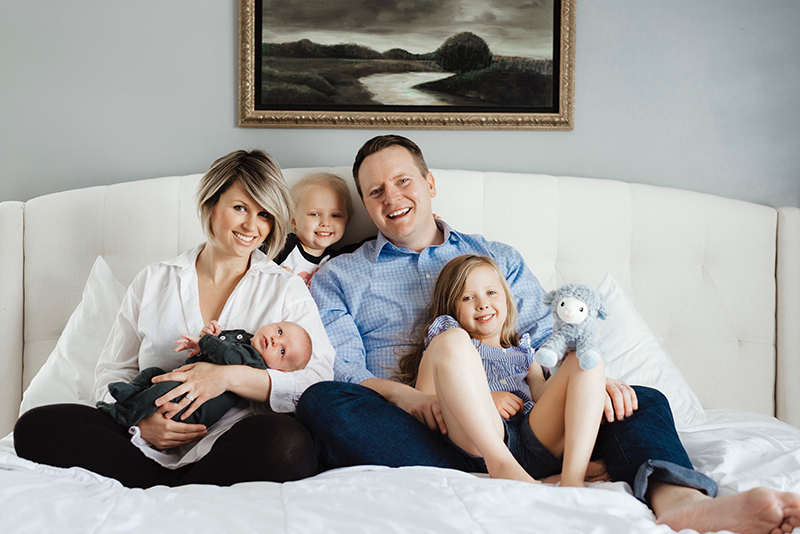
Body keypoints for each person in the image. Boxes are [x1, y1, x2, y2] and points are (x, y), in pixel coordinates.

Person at [296, 134, 800, 534]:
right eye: (375, 192)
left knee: (637, 400)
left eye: (403, 181)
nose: (392, 198)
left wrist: (592, 383)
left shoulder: (499, 258)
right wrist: (413, 400)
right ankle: (507, 472)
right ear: (365, 203)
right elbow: (346, 370)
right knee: (322, 400)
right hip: (420, 429)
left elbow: (544, 340)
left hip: (532, 423)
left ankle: (680, 501)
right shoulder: (342, 276)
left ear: (430, 183)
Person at [14, 149, 335, 488]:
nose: (251, 226)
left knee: (289, 446)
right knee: (35, 426)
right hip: (142, 440)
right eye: (240, 207)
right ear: (212, 203)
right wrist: (142, 422)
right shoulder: (154, 280)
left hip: (233, 440)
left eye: (264, 214)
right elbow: (112, 372)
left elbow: (316, 381)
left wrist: (227, 378)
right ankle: (174, 483)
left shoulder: (284, 288)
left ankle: (169, 485)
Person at [397, 254, 606, 487]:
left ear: (506, 299)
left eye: (491, 293)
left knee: (586, 357)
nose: (482, 304)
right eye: (467, 298)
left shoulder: (524, 351)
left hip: (534, 436)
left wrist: (573, 376)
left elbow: (542, 395)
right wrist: (485, 401)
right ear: (452, 308)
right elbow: (426, 402)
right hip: (484, 442)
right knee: (452, 339)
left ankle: (572, 477)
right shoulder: (449, 343)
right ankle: (502, 466)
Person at [96, 320, 312, 429]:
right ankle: (134, 392)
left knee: (164, 389)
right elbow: (221, 346)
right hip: (182, 382)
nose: (275, 340)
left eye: (282, 351)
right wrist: (211, 336)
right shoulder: (245, 338)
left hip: (195, 407)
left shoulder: (255, 361)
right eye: (280, 331)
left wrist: (207, 342)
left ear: (280, 371)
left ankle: (124, 414)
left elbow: (226, 354)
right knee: (153, 374)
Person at [272, 172, 354, 287]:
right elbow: (252, 264)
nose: (325, 223)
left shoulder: (336, 259)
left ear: (347, 221)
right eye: (314, 214)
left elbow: (371, 245)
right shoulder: (284, 246)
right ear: (293, 221)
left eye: (335, 215)